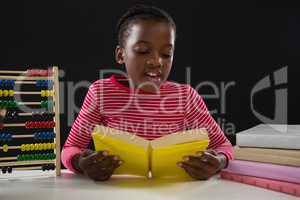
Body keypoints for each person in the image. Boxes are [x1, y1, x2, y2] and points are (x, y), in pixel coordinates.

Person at [61, 4, 233, 181]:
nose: (156, 61)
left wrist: (218, 162)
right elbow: (71, 148)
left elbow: (223, 146)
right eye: (143, 51)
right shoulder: (101, 92)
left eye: (166, 54)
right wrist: (80, 163)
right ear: (121, 55)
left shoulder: (186, 97)